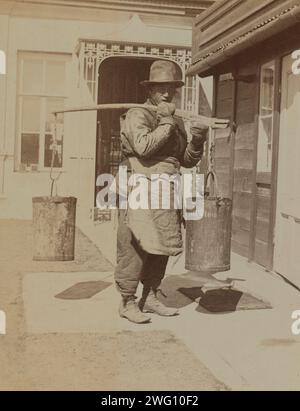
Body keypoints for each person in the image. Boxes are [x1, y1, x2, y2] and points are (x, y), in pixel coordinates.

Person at [114, 60, 208, 324]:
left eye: (171, 88)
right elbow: (143, 147)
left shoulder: (175, 120)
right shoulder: (138, 114)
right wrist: (166, 123)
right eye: (160, 88)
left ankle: (150, 296)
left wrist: (198, 140)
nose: (167, 93)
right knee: (136, 243)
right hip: (141, 185)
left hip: (167, 187)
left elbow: (186, 160)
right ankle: (127, 301)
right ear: (150, 90)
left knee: (162, 244)